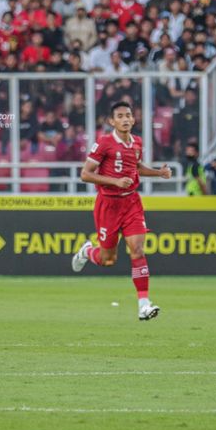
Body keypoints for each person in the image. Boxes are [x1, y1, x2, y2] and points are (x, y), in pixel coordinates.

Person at [72, 101, 171, 321]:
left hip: (132, 203)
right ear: (112, 121)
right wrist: (114, 182)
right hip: (108, 205)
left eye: (128, 115)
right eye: (120, 116)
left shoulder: (137, 142)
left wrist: (159, 173)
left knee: (137, 250)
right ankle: (88, 251)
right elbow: (85, 174)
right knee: (108, 259)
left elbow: (137, 168)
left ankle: (143, 305)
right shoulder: (104, 143)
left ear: (133, 119)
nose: (125, 119)